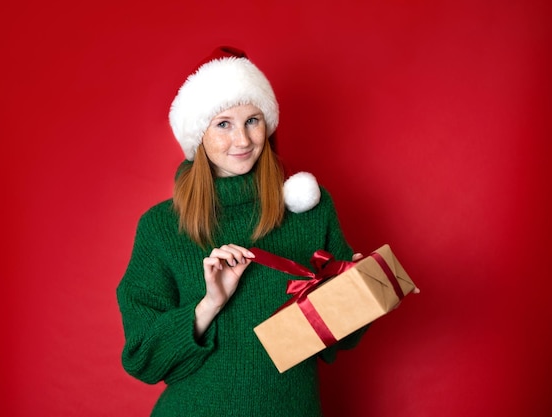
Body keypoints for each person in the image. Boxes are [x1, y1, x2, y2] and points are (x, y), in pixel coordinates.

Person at [116, 46, 369, 416]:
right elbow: (143, 358)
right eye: (224, 124)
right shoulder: (161, 228)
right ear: (199, 134)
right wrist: (209, 305)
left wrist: (359, 294)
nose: (243, 140)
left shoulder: (309, 210)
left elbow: (340, 340)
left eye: (253, 120)